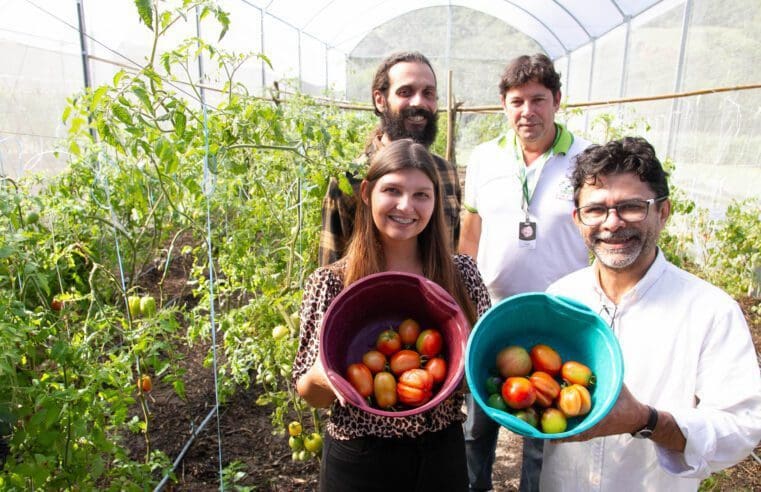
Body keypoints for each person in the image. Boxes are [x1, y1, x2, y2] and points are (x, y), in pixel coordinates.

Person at [542, 136, 761, 490]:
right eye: (595, 210)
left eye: (631, 206)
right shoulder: (561, 297)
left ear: (663, 212)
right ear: (577, 219)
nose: (611, 223)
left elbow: (742, 426)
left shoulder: (709, 310)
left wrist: (649, 421)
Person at [293, 139, 491, 492]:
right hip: (358, 457)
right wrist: (324, 377)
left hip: (441, 453)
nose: (406, 206)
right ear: (367, 193)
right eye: (392, 190)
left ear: (436, 200)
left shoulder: (461, 275)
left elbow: (482, 365)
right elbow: (308, 392)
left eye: (421, 195)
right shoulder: (331, 282)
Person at [458, 53, 591, 492]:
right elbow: (470, 231)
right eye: (517, 101)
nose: (527, 112)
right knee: (476, 428)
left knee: (545, 432)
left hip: (559, 317)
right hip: (491, 315)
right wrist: (465, 299)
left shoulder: (585, 158)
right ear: (504, 105)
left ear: (557, 100)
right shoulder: (484, 158)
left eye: (538, 100)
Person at [318, 51, 461, 266]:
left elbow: (451, 254)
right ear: (380, 100)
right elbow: (331, 264)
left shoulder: (446, 173)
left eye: (428, 93)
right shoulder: (351, 178)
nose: (419, 102)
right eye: (406, 92)